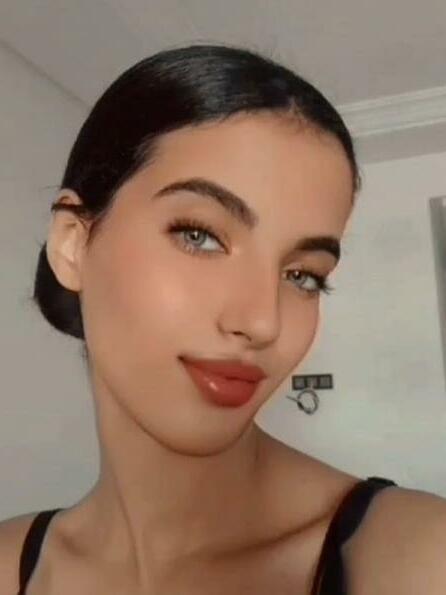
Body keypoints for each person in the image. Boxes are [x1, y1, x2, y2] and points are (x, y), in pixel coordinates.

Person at [1, 43, 446, 595]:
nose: (262, 322)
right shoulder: (9, 563)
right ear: (72, 244)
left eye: (303, 275)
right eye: (200, 236)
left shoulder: (417, 560)